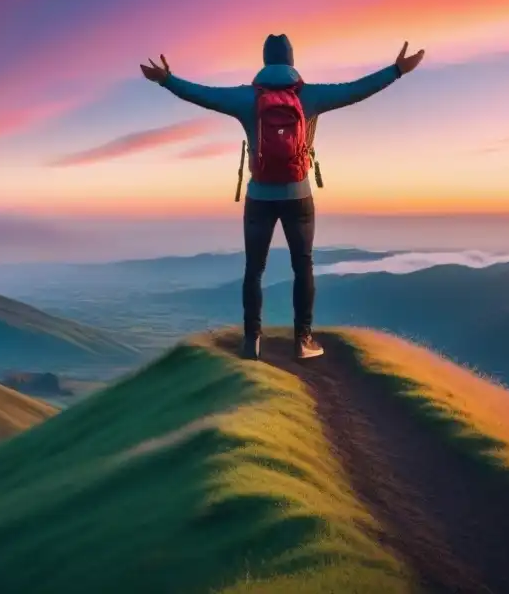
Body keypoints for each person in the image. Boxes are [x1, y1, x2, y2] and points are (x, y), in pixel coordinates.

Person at [140, 34, 424, 361]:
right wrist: (397, 70)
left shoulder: (245, 98)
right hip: (298, 195)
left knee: (254, 269)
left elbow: (203, 95)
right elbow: (356, 90)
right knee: (302, 266)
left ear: (264, 61)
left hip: (258, 196)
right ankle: (303, 341)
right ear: (291, 60)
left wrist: (167, 80)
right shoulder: (310, 96)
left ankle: (252, 341)